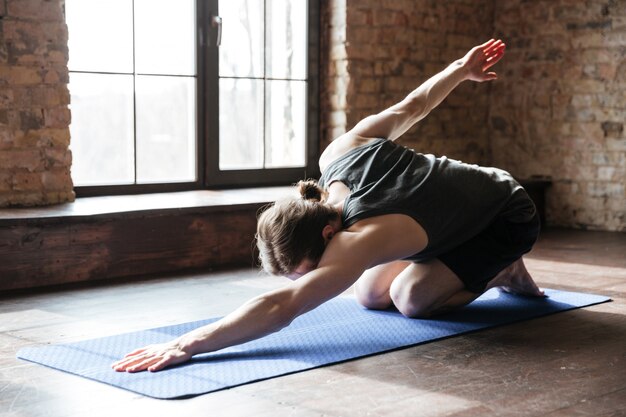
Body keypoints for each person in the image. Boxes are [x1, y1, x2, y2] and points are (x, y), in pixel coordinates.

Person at [112, 39, 544, 374]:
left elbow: (283, 307)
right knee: (371, 296)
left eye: (308, 268)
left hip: (505, 214)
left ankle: (502, 270)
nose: (311, 277)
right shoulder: (338, 153)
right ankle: (461, 261)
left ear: (326, 235)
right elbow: (413, 106)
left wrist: (188, 343)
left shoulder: (361, 235)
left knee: (410, 299)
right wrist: (459, 69)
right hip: (454, 209)